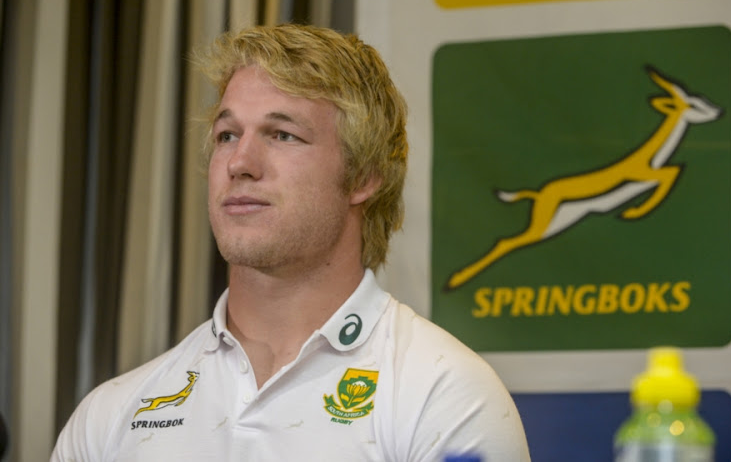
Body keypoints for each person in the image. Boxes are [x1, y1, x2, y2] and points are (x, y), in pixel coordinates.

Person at [52, 23, 530, 461]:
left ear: (364, 176)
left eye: (282, 134)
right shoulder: (110, 416)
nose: (240, 162)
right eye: (226, 134)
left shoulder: (443, 395)